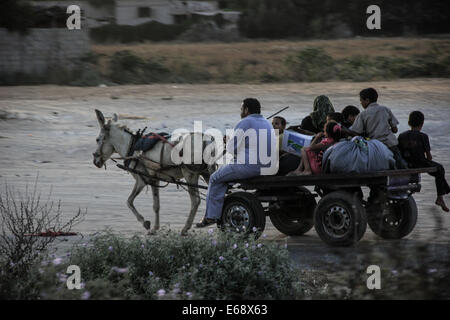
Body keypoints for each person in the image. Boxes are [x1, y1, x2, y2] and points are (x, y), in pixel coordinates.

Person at [196, 98, 277, 227]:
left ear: (246, 110)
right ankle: (224, 198)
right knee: (225, 173)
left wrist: (227, 141)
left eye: (241, 109)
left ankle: (210, 216)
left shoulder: (244, 122)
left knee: (214, 178)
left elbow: (231, 149)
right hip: (268, 166)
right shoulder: (266, 122)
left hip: (249, 167)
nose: (240, 112)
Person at [398, 111, 450, 212]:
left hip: (407, 163)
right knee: (440, 169)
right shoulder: (423, 136)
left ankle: (445, 192)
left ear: (409, 123)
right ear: (422, 124)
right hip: (420, 163)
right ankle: (440, 197)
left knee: (439, 171)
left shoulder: (402, 135)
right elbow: (429, 157)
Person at [347, 88, 407, 169]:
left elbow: (356, 132)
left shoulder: (363, 114)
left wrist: (345, 130)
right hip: (391, 143)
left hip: (376, 147)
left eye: (361, 101)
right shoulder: (385, 109)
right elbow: (395, 130)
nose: (361, 103)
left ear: (367, 100)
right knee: (399, 163)